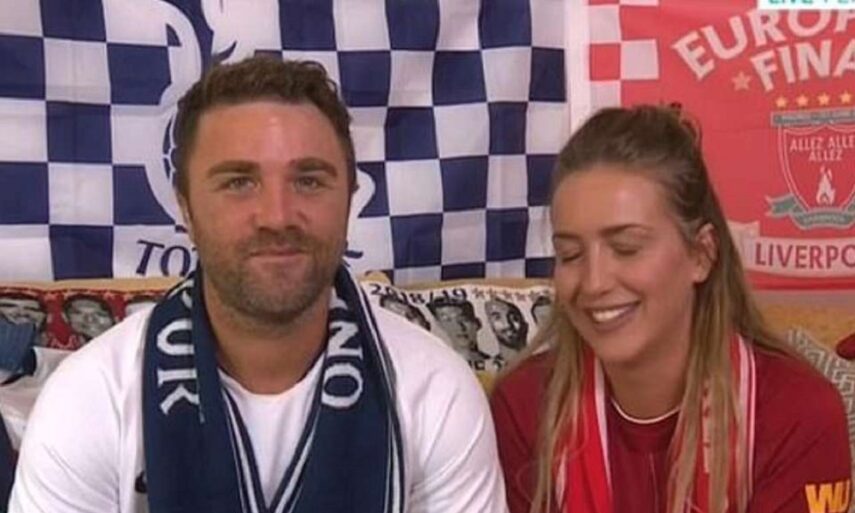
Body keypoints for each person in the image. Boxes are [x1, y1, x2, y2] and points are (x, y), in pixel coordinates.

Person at [10, 56, 506, 513]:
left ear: (350, 198)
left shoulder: (434, 391)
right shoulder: (89, 401)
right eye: (238, 182)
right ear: (185, 208)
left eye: (309, 180)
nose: (277, 216)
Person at [489, 105, 851, 513]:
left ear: (701, 254)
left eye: (626, 248)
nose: (594, 282)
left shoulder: (798, 412)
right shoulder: (523, 406)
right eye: (570, 254)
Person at [427, 296, 493, 369]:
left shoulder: (494, 364)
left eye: (464, 319)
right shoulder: (439, 365)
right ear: (439, 324)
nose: (458, 327)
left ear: (477, 323)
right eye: (448, 320)